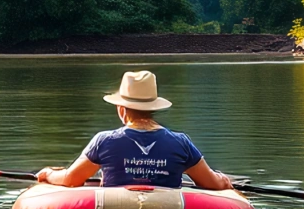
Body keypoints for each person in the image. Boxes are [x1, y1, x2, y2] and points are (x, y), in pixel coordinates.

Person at [36, 70, 236, 191]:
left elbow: (71, 180)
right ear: (154, 108)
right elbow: (212, 183)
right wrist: (223, 178)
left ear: (121, 109)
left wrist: (49, 174)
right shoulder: (181, 142)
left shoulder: (103, 141)